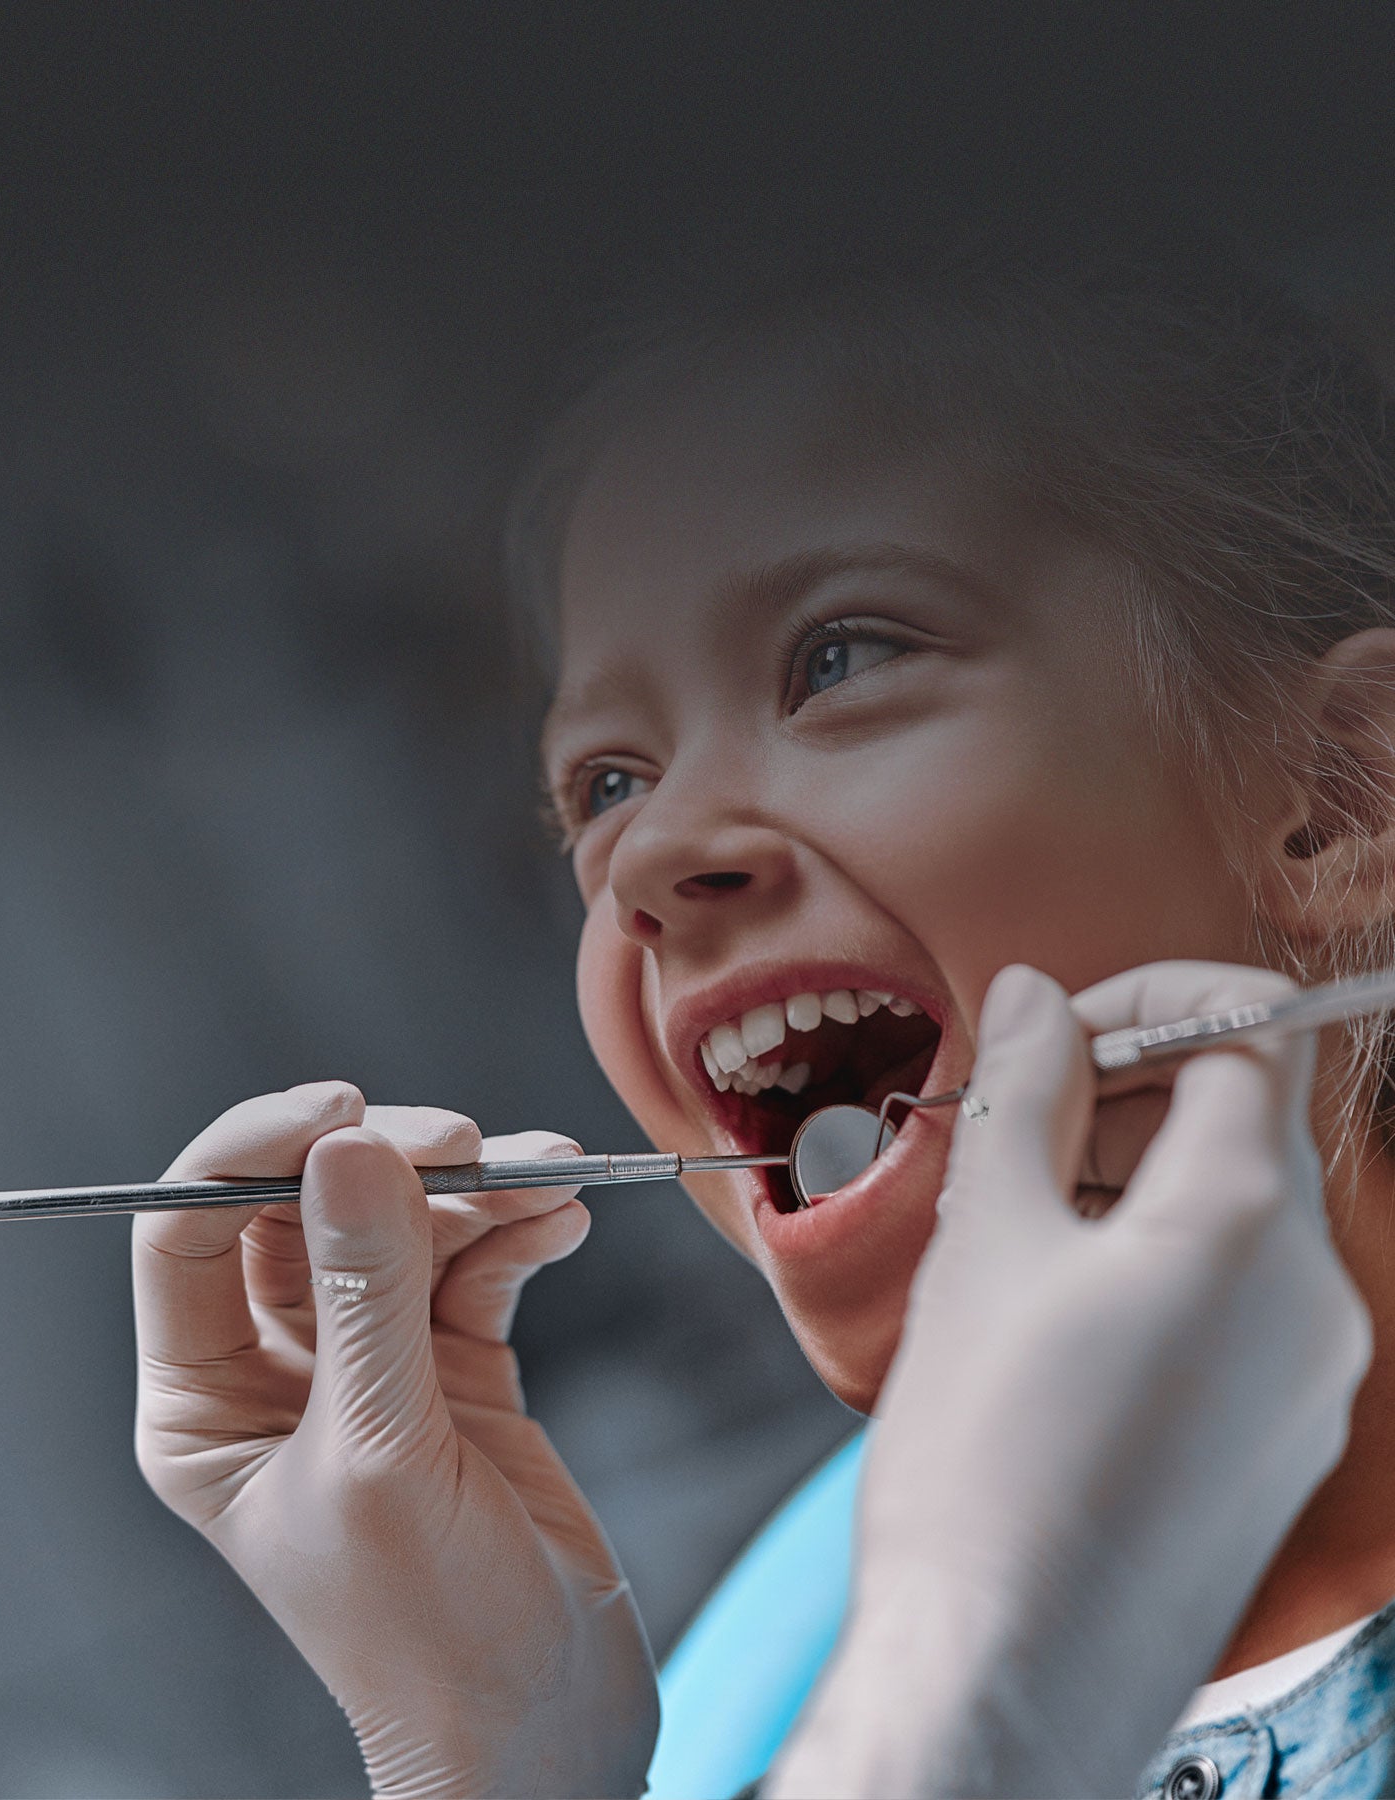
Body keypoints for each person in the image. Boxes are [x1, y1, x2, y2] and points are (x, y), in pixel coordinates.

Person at [131, 244, 1395, 1797]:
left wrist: (992, 1658)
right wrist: (500, 1763)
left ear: (1342, 802)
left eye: (840, 656)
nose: (646, 862)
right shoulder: (763, 1671)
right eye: (604, 785)